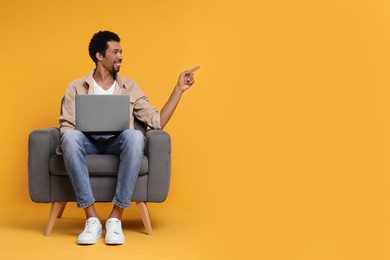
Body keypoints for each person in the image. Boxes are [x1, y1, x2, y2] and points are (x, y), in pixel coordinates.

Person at [59, 30, 199, 245]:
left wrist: (178, 89)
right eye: (115, 52)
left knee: (135, 136)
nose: (121, 56)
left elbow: (157, 120)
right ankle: (92, 219)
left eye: (121, 52)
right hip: (88, 144)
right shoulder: (76, 87)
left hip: (118, 144)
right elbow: (67, 125)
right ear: (99, 55)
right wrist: (76, 134)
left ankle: (115, 218)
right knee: (69, 138)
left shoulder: (130, 87)